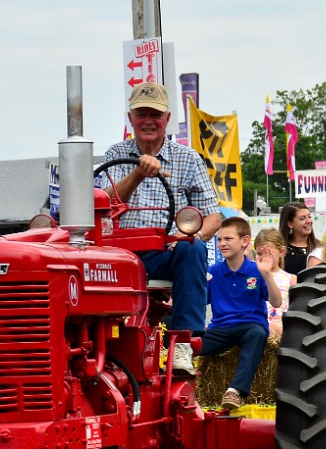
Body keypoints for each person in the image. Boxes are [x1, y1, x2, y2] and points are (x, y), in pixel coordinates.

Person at [96, 82, 221, 374]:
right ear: (131, 119)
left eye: (155, 114)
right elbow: (105, 202)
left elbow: (213, 217)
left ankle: (182, 346)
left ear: (167, 119)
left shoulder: (188, 159)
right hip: (121, 257)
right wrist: (138, 173)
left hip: (165, 253)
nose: (148, 121)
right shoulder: (117, 153)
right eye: (141, 114)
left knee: (194, 248)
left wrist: (191, 236)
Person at [200, 217, 282, 410]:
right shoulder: (213, 271)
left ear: (244, 241)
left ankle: (235, 391)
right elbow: (198, 301)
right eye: (219, 240)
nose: (222, 244)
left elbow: (277, 302)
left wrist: (267, 274)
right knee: (187, 344)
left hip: (249, 326)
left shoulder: (256, 270)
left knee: (258, 333)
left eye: (228, 239)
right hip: (220, 328)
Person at [253, 228, 297, 336]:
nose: (264, 258)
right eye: (259, 253)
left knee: (276, 327)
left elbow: (294, 308)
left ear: (281, 252)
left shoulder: (291, 278)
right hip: (259, 324)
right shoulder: (252, 276)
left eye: (268, 254)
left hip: (283, 325)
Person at [278, 201, 320, 276]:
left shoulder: (320, 247)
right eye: (302, 218)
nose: (308, 221)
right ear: (290, 224)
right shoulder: (279, 251)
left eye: (309, 216)